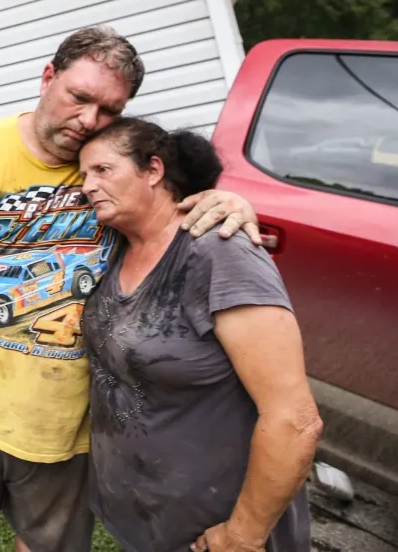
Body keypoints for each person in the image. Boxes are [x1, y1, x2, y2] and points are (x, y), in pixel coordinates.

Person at [0, 26, 262, 552]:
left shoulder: (114, 169)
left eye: (109, 110)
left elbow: (179, 193)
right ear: (48, 78)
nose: (89, 120)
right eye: (79, 97)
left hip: (71, 419)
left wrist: (230, 201)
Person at [79, 117, 322, 552]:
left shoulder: (218, 251)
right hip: (145, 519)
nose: (87, 186)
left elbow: (295, 420)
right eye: (83, 175)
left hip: (214, 532)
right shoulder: (114, 249)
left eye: (102, 170)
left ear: (154, 170)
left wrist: (241, 536)